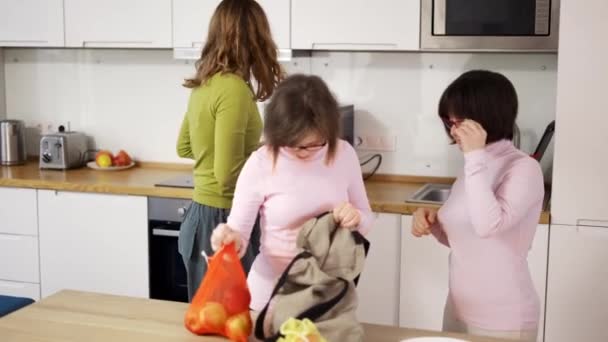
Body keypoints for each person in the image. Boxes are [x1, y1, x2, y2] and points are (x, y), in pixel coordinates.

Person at [210, 74, 374, 311]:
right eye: (294, 144)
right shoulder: (261, 163)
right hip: (269, 299)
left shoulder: (344, 154)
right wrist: (228, 238)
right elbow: (240, 236)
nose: (305, 151)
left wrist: (356, 218)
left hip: (327, 299)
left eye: (315, 143)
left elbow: (366, 217)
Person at [411, 70, 544, 341]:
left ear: (486, 117)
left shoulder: (523, 168)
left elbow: (487, 227)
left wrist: (474, 156)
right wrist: (433, 225)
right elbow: (468, 241)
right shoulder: (475, 164)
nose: (453, 131)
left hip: (503, 317)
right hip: (458, 309)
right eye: (449, 121)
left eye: (459, 122)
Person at [176, 0, 284, 301]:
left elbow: (184, 146)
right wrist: (271, 172)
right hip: (223, 221)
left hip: (200, 216)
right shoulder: (234, 89)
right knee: (229, 324)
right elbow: (226, 175)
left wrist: (255, 152)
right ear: (254, 39)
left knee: (212, 322)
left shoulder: (204, 83)